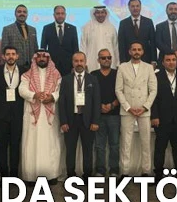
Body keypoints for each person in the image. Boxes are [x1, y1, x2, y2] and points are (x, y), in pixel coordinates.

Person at [19, 50, 63, 183]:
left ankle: (51, 175)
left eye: (45, 56)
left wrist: (52, 97)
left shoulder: (56, 74)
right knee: (31, 144)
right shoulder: (27, 75)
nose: (42, 58)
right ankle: (30, 177)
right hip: (32, 116)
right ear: (35, 59)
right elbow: (22, 90)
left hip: (50, 115)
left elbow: (60, 90)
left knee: (50, 144)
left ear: (49, 58)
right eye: (39, 56)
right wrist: (34, 95)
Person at [116, 41, 157, 178]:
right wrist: (128, 107)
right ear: (129, 51)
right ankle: (125, 172)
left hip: (144, 110)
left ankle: (146, 172)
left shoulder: (149, 68)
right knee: (126, 142)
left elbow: (153, 90)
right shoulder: (122, 67)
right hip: (127, 110)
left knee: (146, 142)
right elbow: (118, 90)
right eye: (134, 49)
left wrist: (145, 107)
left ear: (143, 52)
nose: (136, 52)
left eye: (139, 49)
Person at [59, 52, 100, 178]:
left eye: (81, 61)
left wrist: (95, 121)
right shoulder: (65, 80)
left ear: (85, 62)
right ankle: (70, 175)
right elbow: (62, 102)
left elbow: (96, 101)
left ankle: (87, 175)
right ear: (73, 63)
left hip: (87, 120)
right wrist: (63, 122)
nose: (79, 63)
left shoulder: (93, 79)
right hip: (71, 120)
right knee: (70, 150)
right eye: (76, 61)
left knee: (88, 149)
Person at [151, 52, 177, 181]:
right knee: (160, 148)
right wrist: (154, 116)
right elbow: (153, 99)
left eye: (173, 60)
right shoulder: (156, 77)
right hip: (162, 120)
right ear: (163, 63)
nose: (171, 62)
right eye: (168, 60)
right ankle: (158, 175)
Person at [0, 46, 25, 178]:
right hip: (0, 115)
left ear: (17, 56)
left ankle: (14, 176)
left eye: (13, 54)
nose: (10, 56)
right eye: (8, 54)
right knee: (1, 146)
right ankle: (4, 175)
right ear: (3, 56)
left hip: (18, 115)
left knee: (15, 145)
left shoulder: (24, 71)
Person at [91, 49, 120, 178]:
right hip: (98, 116)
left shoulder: (118, 74)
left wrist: (112, 105)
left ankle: (114, 170)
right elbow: (90, 95)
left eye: (109, 57)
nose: (106, 60)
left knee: (115, 144)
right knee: (99, 145)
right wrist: (99, 106)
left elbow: (123, 92)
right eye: (103, 58)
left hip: (115, 115)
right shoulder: (93, 75)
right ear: (98, 60)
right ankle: (100, 170)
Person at [41, 5, 79, 76]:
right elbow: (43, 48)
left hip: (68, 67)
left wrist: (74, 66)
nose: (60, 16)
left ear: (65, 15)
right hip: (51, 66)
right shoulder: (47, 28)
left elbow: (75, 49)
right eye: (58, 13)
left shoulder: (72, 29)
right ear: (54, 15)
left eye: (62, 13)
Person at [118, 0, 156, 65]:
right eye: (132, 6)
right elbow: (121, 44)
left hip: (146, 60)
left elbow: (153, 43)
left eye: (137, 6)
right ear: (129, 8)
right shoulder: (123, 23)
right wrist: (123, 61)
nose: (135, 8)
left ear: (140, 7)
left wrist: (154, 60)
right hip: (128, 60)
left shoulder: (148, 22)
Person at [1, 4, 38, 73]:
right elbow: (4, 50)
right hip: (14, 67)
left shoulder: (33, 30)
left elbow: (35, 48)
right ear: (15, 14)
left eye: (24, 12)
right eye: (19, 11)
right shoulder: (7, 29)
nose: (22, 13)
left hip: (31, 67)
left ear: (27, 14)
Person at [81, 5, 119, 71]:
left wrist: (118, 63)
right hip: (92, 63)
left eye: (102, 12)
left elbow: (116, 47)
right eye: (98, 13)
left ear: (106, 14)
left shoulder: (112, 28)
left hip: (109, 62)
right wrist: (83, 62)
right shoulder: (87, 27)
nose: (100, 15)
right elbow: (83, 46)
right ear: (94, 14)